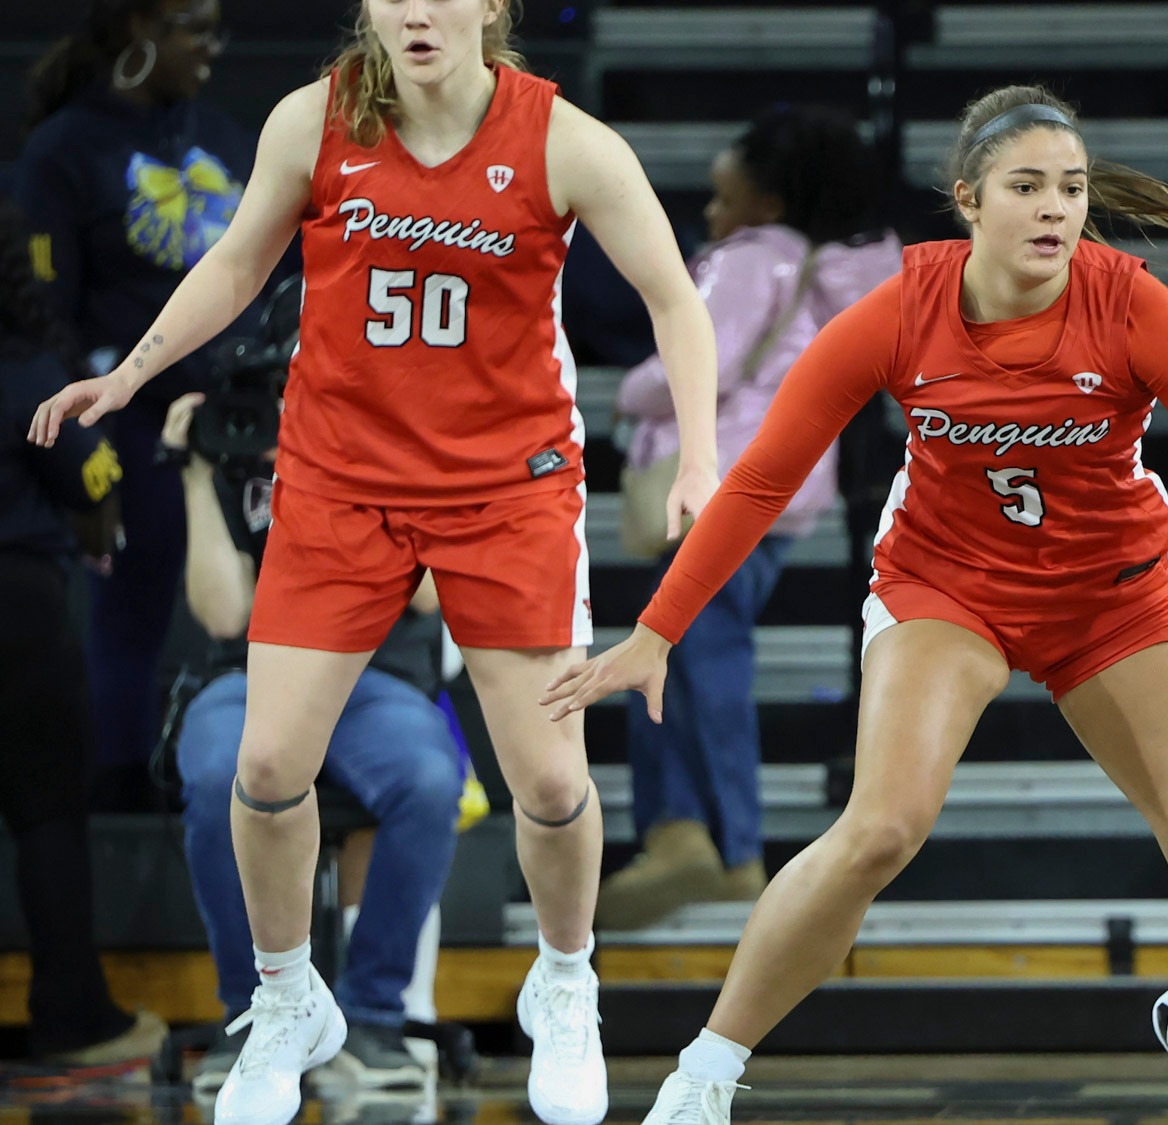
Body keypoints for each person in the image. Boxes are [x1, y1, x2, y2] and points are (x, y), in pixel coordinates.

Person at [545, 84, 1168, 1125]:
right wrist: (655, 631)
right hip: (945, 586)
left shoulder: (1135, 305)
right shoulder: (898, 309)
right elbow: (756, 483)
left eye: (1070, 187)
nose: (1055, 208)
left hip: (1109, 600)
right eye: (1027, 187)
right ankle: (702, 1075)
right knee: (879, 827)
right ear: (968, 200)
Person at [28, 0, 721, 1122]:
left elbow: (675, 301)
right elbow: (239, 262)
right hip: (340, 480)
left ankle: (564, 977)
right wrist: (132, 375)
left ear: (488, 8)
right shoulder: (313, 120)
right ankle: (287, 994)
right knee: (263, 771)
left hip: (506, 487)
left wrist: (698, 454)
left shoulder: (565, 139)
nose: (414, 10)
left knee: (547, 780)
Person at [597, 104, 903, 930]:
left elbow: (696, 362)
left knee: (702, 660)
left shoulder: (751, 261)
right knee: (673, 653)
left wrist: (626, 392)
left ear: (766, 203)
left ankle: (730, 850)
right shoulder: (826, 268)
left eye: (722, 197)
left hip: (721, 489)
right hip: (780, 489)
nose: (708, 212)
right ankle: (682, 835)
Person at [158, 387, 460, 1094]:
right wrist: (198, 472)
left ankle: (373, 1013)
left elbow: (426, 595)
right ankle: (256, 1015)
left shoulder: (388, 438)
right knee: (212, 773)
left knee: (428, 777)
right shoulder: (236, 461)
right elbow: (225, 611)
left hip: (372, 673)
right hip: (246, 673)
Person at [17, 0, 246, 810]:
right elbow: (45, 312)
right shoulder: (64, 152)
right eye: (197, 27)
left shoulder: (219, 132)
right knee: (133, 603)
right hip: (130, 418)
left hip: (240, 417)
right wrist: (92, 441)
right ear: (144, 28)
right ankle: (121, 783)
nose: (214, 45)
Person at [0, 199, 168, 1067]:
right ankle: (74, 1018)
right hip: (18, 609)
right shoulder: (28, 366)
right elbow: (91, 481)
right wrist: (99, 525)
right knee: (48, 817)